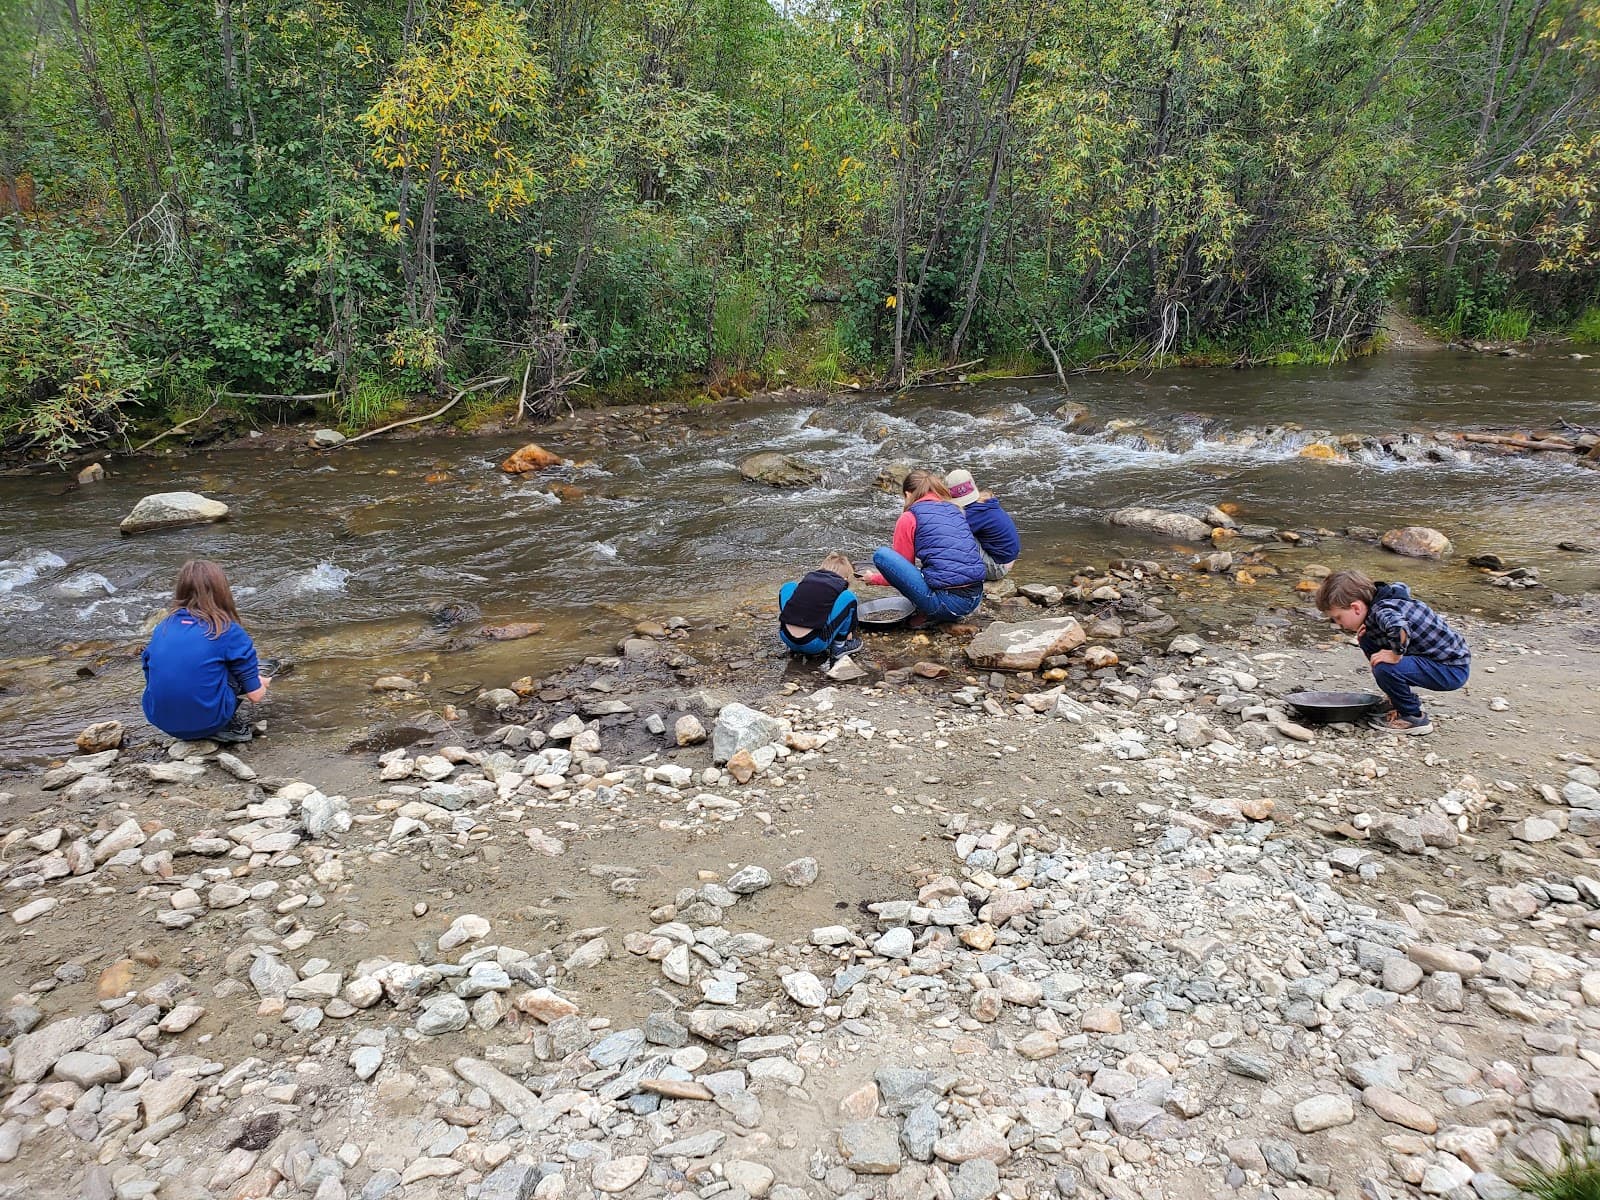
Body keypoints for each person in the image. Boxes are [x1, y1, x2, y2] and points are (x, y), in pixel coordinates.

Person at [1315, 568, 1470, 736]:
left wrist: (1394, 656)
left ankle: (1413, 717)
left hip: (1450, 669)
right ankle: (1398, 700)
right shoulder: (1383, 599)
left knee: (1384, 667)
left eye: (1338, 617)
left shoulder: (1383, 611)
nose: (1338, 624)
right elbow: (1401, 588)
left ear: (1356, 608)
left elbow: (1399, 628)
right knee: (1367, 638)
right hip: (1435, 660)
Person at [141, 560, 271, 744]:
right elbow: (256, 696)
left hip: (161, 720)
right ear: (222, 591)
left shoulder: (163, 626)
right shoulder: (227, 630)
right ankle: (221, 726)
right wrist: (262, 683)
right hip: (208, 722)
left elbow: (151, 671)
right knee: (231, 669)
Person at [862, 469, 987, 623]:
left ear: (908, 495)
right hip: (976, 597)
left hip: (949, 605)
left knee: (882, 556)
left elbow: (899, 573)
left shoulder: (909, 517)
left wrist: (873, 578)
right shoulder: (955, 509)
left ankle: (931, 613)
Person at [779, 553, 863, 659]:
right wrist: (848, 632)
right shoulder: (841, 585)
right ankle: (839, 648)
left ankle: (788, 626)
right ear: (845, 578)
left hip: (786, 637)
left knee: (789, 586)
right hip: (814, 644)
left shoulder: (809, 578)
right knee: (849, 598)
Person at [945, 468, 1020, 580]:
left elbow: (948, 533)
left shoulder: (973, 513)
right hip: (1007, 560)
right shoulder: (985, 503)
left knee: (955, 537)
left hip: (997, 567)